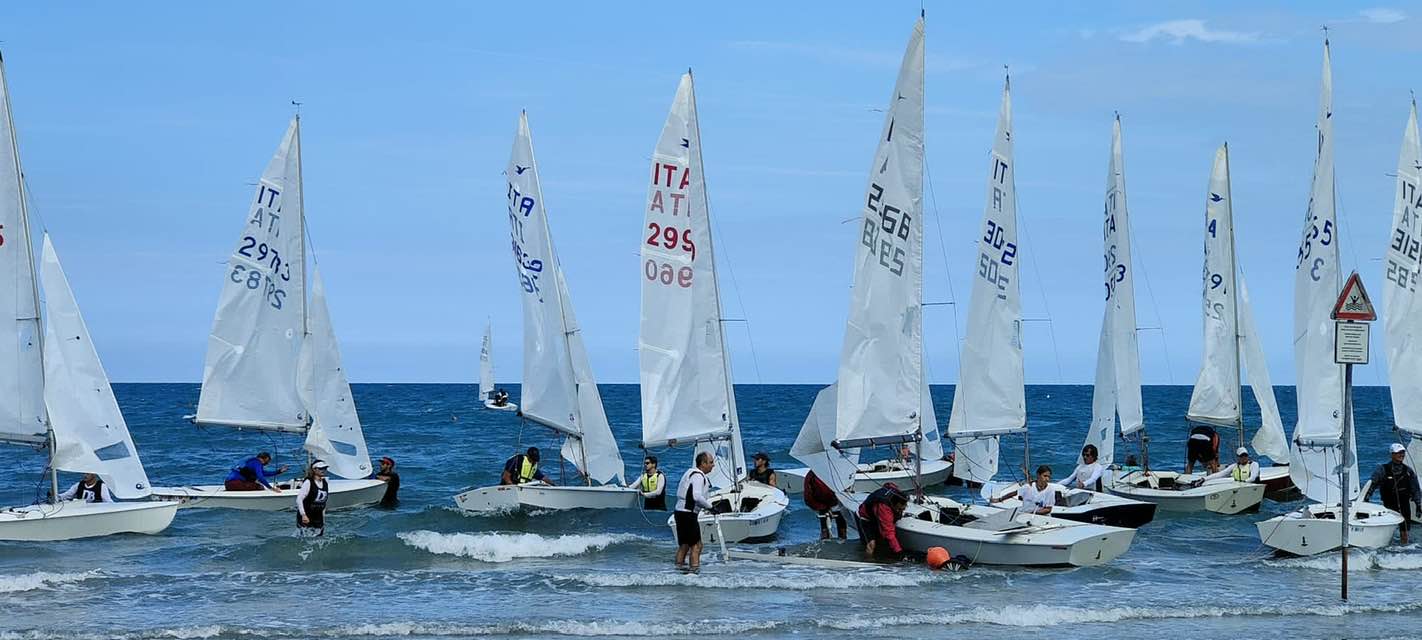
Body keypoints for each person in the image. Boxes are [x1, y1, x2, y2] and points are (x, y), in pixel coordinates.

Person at [1365, 443, 1422, 545]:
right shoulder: (1382, 470)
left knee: (1404, 532)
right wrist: (1366, 498)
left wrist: (1418, 505)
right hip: (1389, 506)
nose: (1401, 455)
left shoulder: (1408, 471)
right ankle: (1386, 548)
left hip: (1404, 505)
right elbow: (1372, 485)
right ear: (1392, 454)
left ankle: (1403, 550)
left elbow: (1415, 489)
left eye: (1403, 452)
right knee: (1387, 532)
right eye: (1398, 453)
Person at [674, 451, 716, 570]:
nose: (713, 465)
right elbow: (696, 496)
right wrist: (710, 507)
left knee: (684, 545)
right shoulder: (698, 476)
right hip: (688, 514)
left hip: (680, 512)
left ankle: (678, 569)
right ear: (703, 463)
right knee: (697, 545)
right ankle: (694, 572)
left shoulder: (689, 472)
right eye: (711, 462)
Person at [857, 483, 908, 558]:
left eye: (903, 509)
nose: (900, 511)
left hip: (876, 514)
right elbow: (888, 532)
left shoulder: (896, 493)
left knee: (884, 543)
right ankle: (868, 562)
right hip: (867, 519)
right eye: (899, 509)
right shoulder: (884, 508)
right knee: (872, 544)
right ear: (895, 504)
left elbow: (888, 484)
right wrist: (899, 552)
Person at [802, 470, 847, 540]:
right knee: (838, 518)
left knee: (830, 517)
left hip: (826, 501)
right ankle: (840, 536)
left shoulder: (811, 474)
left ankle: (827, 535)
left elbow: (808, 495)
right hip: (828, 501)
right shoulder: (813, 475)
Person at [224, 452, 288, 492]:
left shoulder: (251, 462)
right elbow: (260, 477)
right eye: (267, 461)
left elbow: (263, 473)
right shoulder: (257, 462)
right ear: (264, 459)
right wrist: (271, 489)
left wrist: (279, 471)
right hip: (236, 484)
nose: (267, 463)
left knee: (255, 483)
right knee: (259, 487)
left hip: (228, 484)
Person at [297, 460, 331, 536]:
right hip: (306, 516)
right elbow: (299, 499)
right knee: (305, 538)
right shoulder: (308, 482)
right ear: (314, 469)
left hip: (318, 516)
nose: (323, 470)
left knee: (319, 538)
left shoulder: (325, 482)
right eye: (320, 468)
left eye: (324, 468)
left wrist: (323, 519)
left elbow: (323, 503)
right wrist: (303, 515)